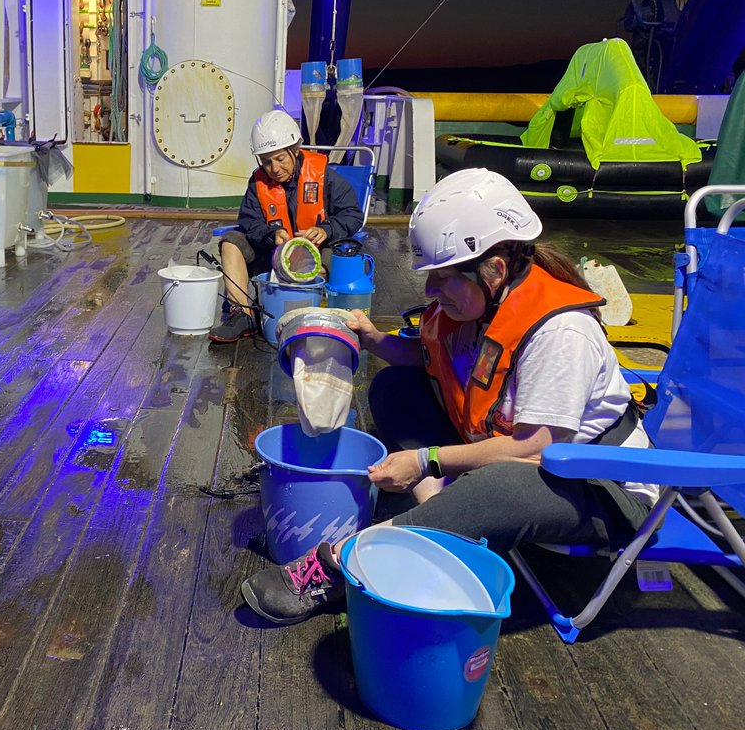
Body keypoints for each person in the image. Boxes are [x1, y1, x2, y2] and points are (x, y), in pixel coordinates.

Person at [240, 168, 655, 624]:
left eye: (441, 278)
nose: (430, 291)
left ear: (495, 268)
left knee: (499, 486)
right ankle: (442, 514)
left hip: (601, 490)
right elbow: (429, 357)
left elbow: (536, 450)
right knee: (394, 388)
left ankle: (342, 565)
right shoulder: (481, 302)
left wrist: (423, 460)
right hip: (508, 455)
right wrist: (374, 339)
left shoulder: (561, 333)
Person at [210, 110, 364, 343]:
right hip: (273, 254)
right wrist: (271, 234)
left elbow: (352, 214)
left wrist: (326, 230)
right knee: (231, 242)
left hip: (315, 256)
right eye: (266, 161)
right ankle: (242, 314)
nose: (274, 168)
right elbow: (249, 221)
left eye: (280, 158)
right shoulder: (257, 182)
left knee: (339, 260)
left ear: (295, 150)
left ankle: (303, 311)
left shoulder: (325, 176)